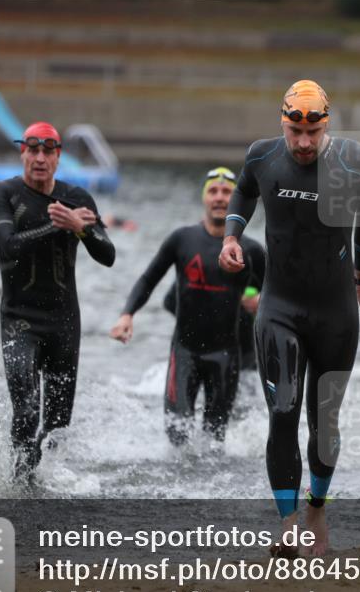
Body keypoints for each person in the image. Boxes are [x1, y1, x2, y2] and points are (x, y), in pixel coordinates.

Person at [219, 79, 360, 557]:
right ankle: (288, 525)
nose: (304, 142)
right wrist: (231, 238)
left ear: (326, 125)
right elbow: (243, 193)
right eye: (295, 132)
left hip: (336, 311)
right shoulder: (262, 156)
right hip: (280, 307)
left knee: (324, 422)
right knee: (283, 409)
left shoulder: (359, 163)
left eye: (313, 132)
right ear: (283, 124)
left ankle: (316, 507)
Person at [0, 122, 115, 483]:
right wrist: (61, 225)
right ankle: (20, 486)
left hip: (64, 325)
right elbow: (8, 245)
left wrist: (81, 228)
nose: (39, 158)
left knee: (57, 425)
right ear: (22, 153)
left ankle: (45, 488)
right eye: (33, 150)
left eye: (47, 151)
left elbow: (108, 255)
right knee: (26, 411)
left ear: (58, 157)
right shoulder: (1, 194)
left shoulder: (77, 197)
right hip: (19, 321)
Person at [110, 167, 265, 445]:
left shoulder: (251, 250)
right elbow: (148, 279)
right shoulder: (182, 239)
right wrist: (127, 314)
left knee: (214, 441)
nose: (220, 197)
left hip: (225, 357)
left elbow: (278, 294)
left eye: (227, 192)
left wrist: (260, 302)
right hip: (184, 353)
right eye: (213, 191)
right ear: (204, 198)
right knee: (176, 435)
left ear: (236, 200)